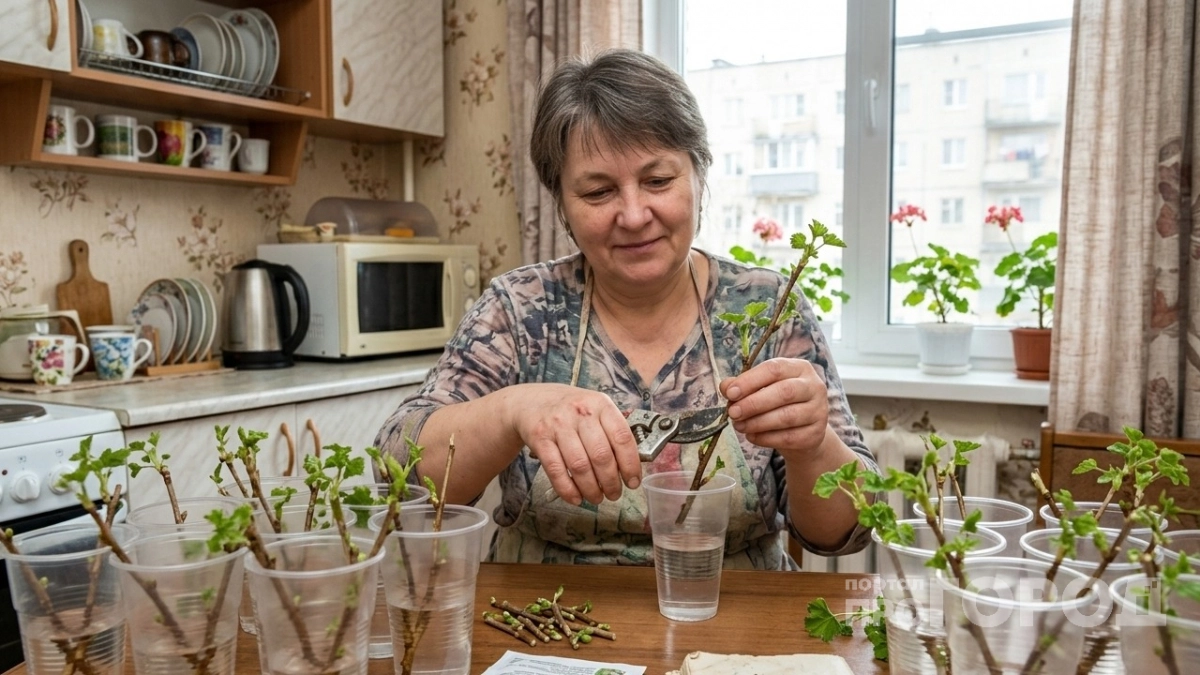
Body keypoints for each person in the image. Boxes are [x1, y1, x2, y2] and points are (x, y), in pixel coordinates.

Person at [376, 48, 877, 570]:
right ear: (561, 203)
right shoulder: (519, 310)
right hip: (537, 613)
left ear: (699, 176)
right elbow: (397, 477)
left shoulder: (767, 310)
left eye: (658, 181)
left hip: (734, 612)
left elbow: (844, 534)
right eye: (598, 192)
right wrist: (511, 411)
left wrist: (812, 446)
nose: (634, 216)